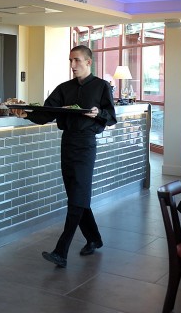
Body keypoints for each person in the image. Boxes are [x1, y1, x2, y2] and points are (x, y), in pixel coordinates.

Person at [11, 45, 116, 268]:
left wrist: (98, 113)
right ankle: (94, 238)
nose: (73, 65)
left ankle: (61, 250)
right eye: (70, 61)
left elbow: (111, 117)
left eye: (77, 60)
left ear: (88, 62)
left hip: (86, 144)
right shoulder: (64, 88)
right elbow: (46, 114)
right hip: (67, 143)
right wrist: (25, 113)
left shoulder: (101, 86)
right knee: (77, 195)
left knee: (77, 196)